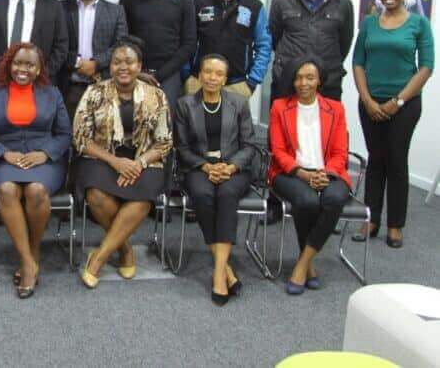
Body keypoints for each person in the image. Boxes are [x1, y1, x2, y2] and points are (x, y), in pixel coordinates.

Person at [72, 36, 172, 289]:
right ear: (110, 66)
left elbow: (164, 142)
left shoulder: (156, 95)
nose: (123, 67)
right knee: (95, 194)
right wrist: (115, 162)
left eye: (129, 61)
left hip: (145, 159)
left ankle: (100, 257)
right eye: (117, 62)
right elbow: (80, 138)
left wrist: (138, 163)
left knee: (142, 198)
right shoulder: (94, 92)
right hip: (102, 157)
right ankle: (125, 250)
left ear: (140, 65)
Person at [0, 42, 71, 299]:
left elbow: (64, 134)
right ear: (8, 64)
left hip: (45, 159)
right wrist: (4, 153)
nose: (22, 69)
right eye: (18, 63)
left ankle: (34, 250)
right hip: (6, 157)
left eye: (29, 64)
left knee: (36, 190)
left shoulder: (52, 93)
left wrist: (45, 153)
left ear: (39, 69)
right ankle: (28, 263)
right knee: (7, 189)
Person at [352, 0, 434, 248]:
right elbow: (358, 63)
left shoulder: (419, 24)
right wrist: (367, 100)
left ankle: (395, 224)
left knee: (397, 161)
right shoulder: (369, 24)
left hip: (405, 105)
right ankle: (371, 218)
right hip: (371, 103)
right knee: (376, 160)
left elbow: (426, 67)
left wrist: (397, 101)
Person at [174, 54, 255, 305]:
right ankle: (227, 270)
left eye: (218, 73)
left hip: (234, 169)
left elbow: (249, 145)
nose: (212, 77)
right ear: (199, 75)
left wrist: (230, 168)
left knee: (227, 194)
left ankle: (218, 274)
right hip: (198, 168)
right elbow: (182, 147)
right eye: (207, 72)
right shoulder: (185, 104)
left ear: (225, 79)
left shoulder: (239, 103)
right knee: (203, 195)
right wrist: (206, 167)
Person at [268, 56, 351, 295]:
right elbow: (279, 152)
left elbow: (339, 151)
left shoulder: (335, 109)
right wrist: (304, 174)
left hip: (328, 172)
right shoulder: (279, 107)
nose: (303, 83)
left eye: (310, 77)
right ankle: (309, 266)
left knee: (334, 199)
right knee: (307, 201)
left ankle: (304, 263)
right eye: (299, 77)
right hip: (291, 173)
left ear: (319, 80)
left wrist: (326, 173)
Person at [268, 0, 354, 102]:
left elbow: (344, 42)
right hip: (288, 78)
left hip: (328, 80)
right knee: (282, 124)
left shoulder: (343, 3)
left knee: (326, 125)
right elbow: (274, 38)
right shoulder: (281, 0)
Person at [184, 0, 272, 99]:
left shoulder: (254, 6)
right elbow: (186, 40)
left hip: (237, 84)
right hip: (198, 82)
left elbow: (264, 45)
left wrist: (253, 80)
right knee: (194, 122)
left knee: (234, 122)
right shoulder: (198, 3)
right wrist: (186, 74)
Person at [118, 0, 196, 109]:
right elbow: (122, 39)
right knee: (131, 122)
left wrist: (160, 75)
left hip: (169, 75)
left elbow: (189, 43)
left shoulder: (184, 0)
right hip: (134, 72)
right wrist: (137, 71)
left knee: (165, 123)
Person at [60, 0, 128, 118]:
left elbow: (120, 45)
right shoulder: (61, 7)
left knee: (102, 135)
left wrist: (96, 63)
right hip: (69, 85)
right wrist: (77, 63)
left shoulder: (116, 11)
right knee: (70, 134)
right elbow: (56, 44)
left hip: (103, 84)